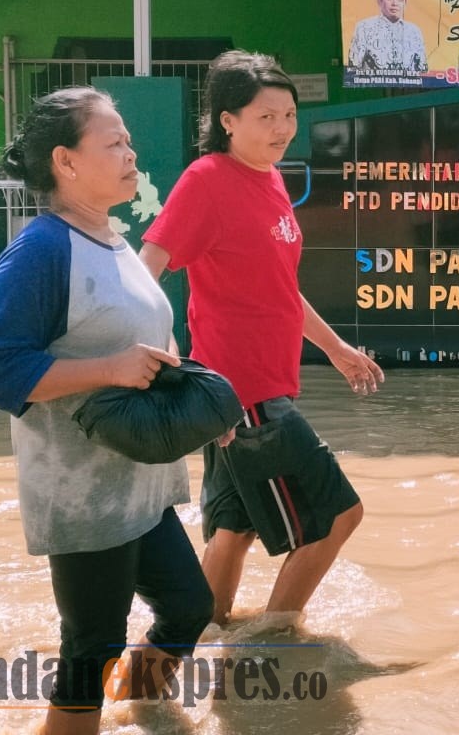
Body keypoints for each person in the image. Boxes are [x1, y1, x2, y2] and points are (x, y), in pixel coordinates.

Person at [0, 87, 214, 735]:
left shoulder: (112, 237)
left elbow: (141, 339)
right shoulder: (42, 250)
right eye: (113, 143)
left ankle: (143, 713)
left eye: (128, 141)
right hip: (82, 496)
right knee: (92, 646)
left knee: (190, 606)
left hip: (141, 483)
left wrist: (194, 392)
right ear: (66, 162)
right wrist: (109, 369)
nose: (131, 153)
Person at [139, 51, 384, 627]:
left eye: (289, 115)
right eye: (265, 117)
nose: (282, 128)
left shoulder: (269, 180)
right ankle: (276, 640)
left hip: (257, 388)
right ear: (228, 120)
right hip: (243, 393)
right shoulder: (206, 181)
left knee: (234, 531)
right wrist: (157, 348)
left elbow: (278, 288)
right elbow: (147, 264)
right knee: (338, 518)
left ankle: (196, 639)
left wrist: (335, 349)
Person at [347, 0, 428, 73]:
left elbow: (423, 69)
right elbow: (353, 66)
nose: (395, 3)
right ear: (380, 1)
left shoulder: (414, 31)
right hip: (374, 85)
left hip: (407, 86)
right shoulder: (364, 27)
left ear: (405, 4)